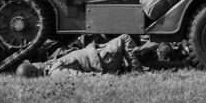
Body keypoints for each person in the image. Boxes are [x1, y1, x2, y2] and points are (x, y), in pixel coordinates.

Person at [16, 34, 144, 77]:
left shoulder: (51, 67)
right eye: (34, 64)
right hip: (103, 60)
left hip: (99, 55)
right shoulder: (56, 73)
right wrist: (107, 77)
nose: (37, 62)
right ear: (35, 70)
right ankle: (137, 71)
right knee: (124, 38)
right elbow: (80, 76)